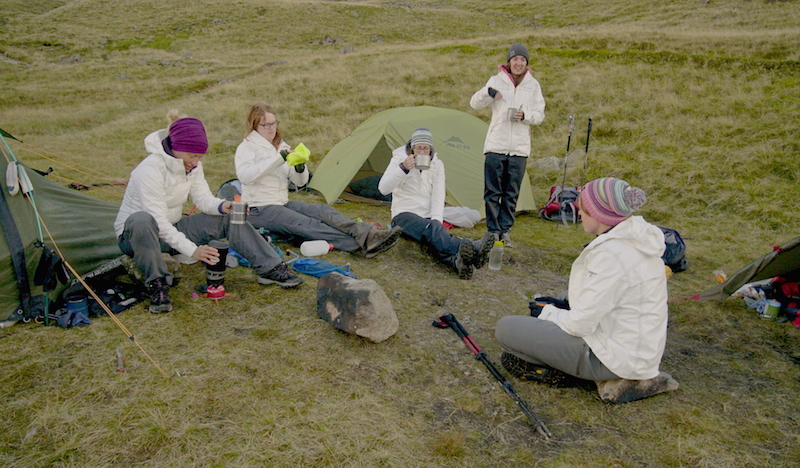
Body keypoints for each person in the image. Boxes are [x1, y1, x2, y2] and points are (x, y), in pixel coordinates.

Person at [495, 177, 679, 403]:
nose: (579, 213)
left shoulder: (612, 254)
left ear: (598, 214)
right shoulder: (637, 239)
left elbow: (580, 324)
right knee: (563, 298)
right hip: (637, 350)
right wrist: (561, 304)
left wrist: (547, 313)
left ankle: (590, 375)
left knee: (506, 329)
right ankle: (578, 366)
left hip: (613, 356)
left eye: (583, 208)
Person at [115, 112, 302, 314]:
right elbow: (158, 222)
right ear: (177, 148)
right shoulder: (150, 170)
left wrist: (223, 206)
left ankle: (270, 268)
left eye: (199, 157)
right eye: (192, 156)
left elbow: (203, 199)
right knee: (142, 219)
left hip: (173, 230)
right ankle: (157, 286)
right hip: (137, 237)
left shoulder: (193, 167)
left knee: (230, 216)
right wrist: (192, 250)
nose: (195, 162)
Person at [234, 103, 402, 258]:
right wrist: (280, 158)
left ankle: (367, 233)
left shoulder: (280, 145)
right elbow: (246, 176)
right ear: (254, 125)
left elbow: (300, 183)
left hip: (281, 202)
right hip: (258, 208)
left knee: (322, 211)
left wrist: (300, 167)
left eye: (274, 123)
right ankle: (361, 245)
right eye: (266, 124)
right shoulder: (247, 147)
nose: (272, 128)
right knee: (307, 223)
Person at [378, 128, 494, 279]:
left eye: (425, 148)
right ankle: (470, 247)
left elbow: (438, 195)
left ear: (431, 148)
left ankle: (456, 261)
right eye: (418, 147)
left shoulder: (437, 165)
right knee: (432, 231)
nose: (422, 152)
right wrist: (403, 168)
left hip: (426, 217)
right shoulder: (399, 159)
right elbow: (383, 189)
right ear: (412, 147)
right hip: (403, 216)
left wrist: (437, 221)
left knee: (433, 235)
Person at [470, 43, 545, 247]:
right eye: (515, 59)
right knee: (493, 192)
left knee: (511, 193)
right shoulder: (496, 81)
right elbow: (474, 103)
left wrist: (525, 116)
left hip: (519, 149)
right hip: (496, 146)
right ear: (509, 62)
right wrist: (489, 93)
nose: (518, 63)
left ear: (526, 63)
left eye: (522, 60)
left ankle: (505, 231)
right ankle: (493, 231)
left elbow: (540, 115)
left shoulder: (533, 85)